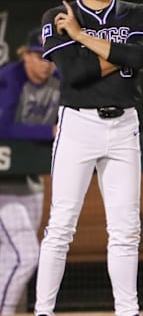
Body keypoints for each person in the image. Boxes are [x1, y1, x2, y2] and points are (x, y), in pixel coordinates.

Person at [33, 0, 143, 316]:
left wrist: (81, 37)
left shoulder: (138, 13)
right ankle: (43, 311)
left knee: (125, 229)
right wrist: (126, 60)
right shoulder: (56, 14)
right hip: (78, 125)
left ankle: (127, 311)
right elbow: (74, 74)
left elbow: (138, 55)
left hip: (123, 126)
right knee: (61, 227)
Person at [0, 28, 60, 315]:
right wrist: (48, 131)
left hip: (31, 182)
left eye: (50, 56)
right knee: (26, 255)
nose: (45, 63)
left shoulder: (60, 82)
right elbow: (3, 127)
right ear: (25, 55)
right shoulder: (10, 77)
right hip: (1, 183)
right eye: (39, 55)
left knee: (10, 256)